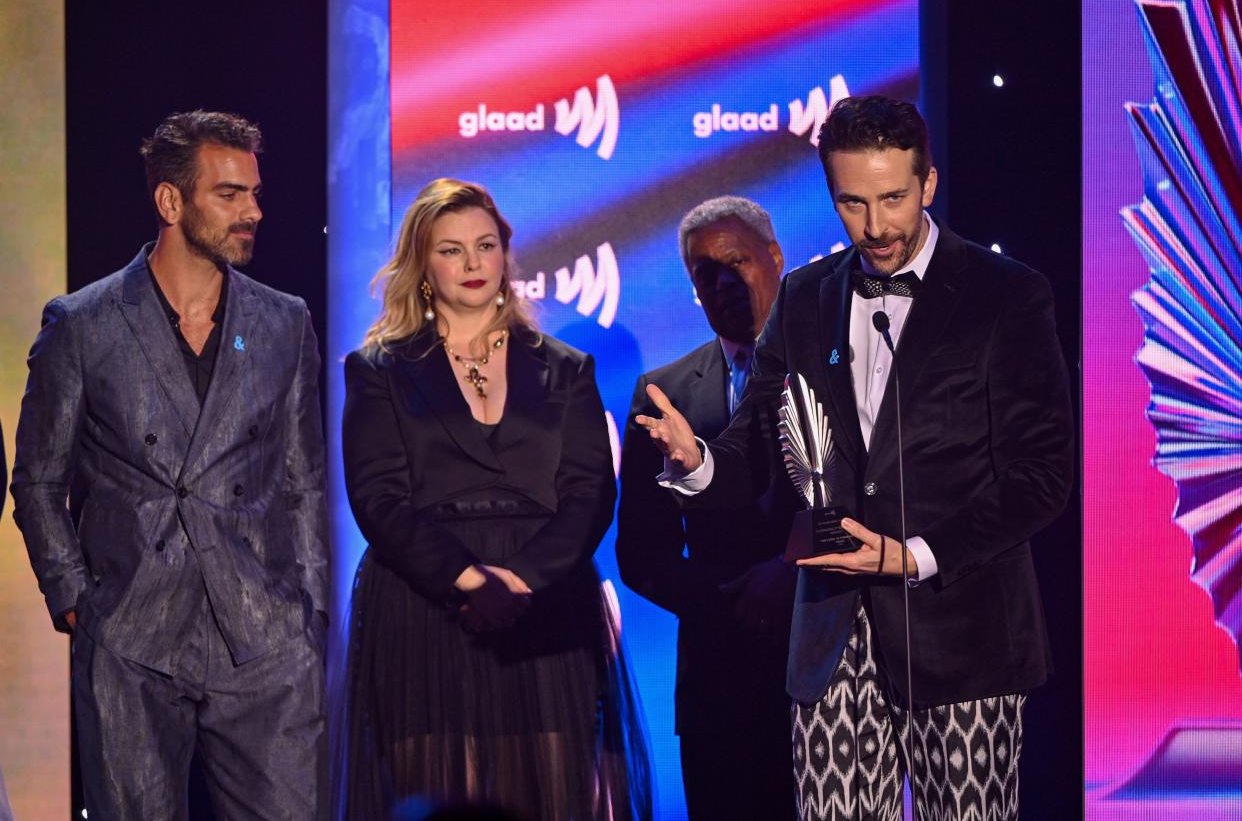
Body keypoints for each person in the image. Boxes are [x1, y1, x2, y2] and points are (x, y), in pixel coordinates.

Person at [637, 96, 1073, 820]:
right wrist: (696, 463)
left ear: (928, 184)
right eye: (852, 203)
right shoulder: (806, 298)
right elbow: (754, 452)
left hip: (965, 639)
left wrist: (915, 555)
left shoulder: (1007, 296)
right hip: (834, 642)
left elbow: (1042, 477)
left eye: (893, 199)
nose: (876, 227)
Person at [10, 110, 329, 819]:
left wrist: (307, 610)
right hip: (130, 631)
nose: (254, 211)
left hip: (264, 635)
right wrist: (76, 601)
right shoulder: (84, 323)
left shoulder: (284, 323)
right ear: (171, 202)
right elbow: (37, 479)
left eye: (253, 192)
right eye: (230, 194)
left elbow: (304, 480)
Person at [338, 177, 650, 820]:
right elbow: (378, 498)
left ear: (506, 254)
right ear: (422, 266)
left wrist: (518, 580)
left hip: (547, 604)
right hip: (427, 608)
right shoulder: (377, 370)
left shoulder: (566, 368)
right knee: (438, 785)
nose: (473, 263)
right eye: (451, 250)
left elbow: (591, 492)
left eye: (485, 245)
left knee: (555, 791)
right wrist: (467, 580)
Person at [616, 196, 798, 819]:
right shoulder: (662, 394)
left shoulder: (844, 363)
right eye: (705, 274)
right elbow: (640, 552)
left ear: (775, 258)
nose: (723, 284)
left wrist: (790, 577)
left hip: (831, 672)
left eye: (736, 262)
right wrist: (733, 597)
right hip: (720, 682)